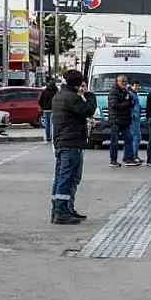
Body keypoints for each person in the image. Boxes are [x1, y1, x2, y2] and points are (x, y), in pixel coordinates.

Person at [50, 69, 97, 224]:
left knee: (61, 177)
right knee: (68, 178)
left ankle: (61, 209)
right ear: (78, 84)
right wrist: (89, 96)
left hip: (62, 142)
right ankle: (61, 212)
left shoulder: (59, 96)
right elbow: (88, 110)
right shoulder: (72, 98)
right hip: (71, 142)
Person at [108, 75, 140, 167]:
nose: (124, 83)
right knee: (114, 141)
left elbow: (131, 103)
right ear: (117, 81)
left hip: (125, 120)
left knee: (129, 139)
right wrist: (126, 102)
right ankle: (113, 160)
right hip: (116, 120)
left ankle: (128, 158)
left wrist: (128, 101)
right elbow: (114, 105)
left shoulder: (126, 91)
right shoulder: (113, 91)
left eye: (126, 81)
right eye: (122, 81)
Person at [127, 81, 144, 163]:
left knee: (136, 137)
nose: (137, 88)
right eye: (136, 86)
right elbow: (130, 106)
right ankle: (134, 156)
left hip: (136, 118)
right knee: (136, 137)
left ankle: (132, 155)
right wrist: (133, 115)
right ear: (132, 86)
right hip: (134, 119)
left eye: (138, 86)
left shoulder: (134, 94)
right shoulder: (131, 95)